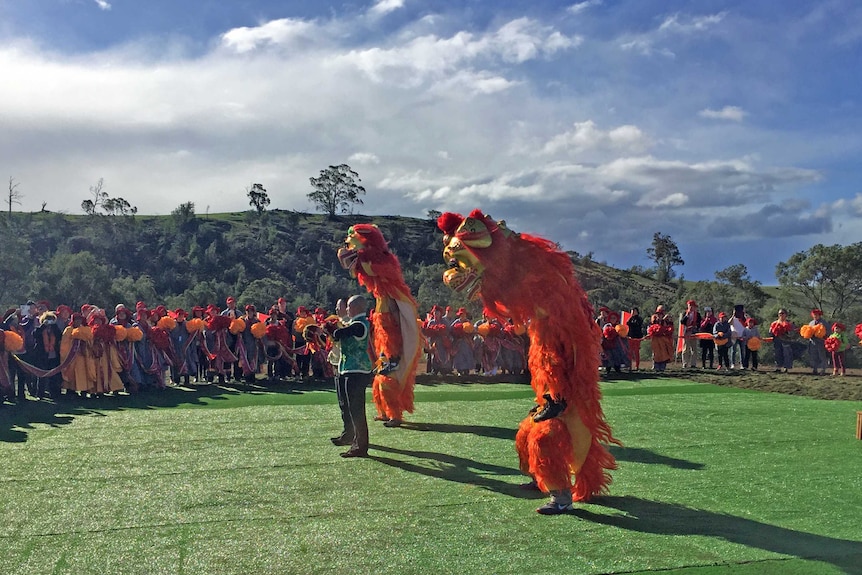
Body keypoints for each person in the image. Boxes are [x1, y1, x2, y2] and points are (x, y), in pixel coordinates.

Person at [326, 295, 372, 458]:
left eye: (349, 307)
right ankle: (355, 440)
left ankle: (360, 445)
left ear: (357, 308)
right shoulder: (356, 323)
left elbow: (340, 333)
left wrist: (330, 329)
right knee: (351, 407)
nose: (346, 310)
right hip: (350, 369)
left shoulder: (359, 324)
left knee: (356, 409)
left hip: (357, 370)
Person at [648, 305, 674, 371]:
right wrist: (662, 320)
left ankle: (662, 366)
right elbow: (654, 326)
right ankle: (655, 366)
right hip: (656, 339)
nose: (660, 314)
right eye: (659, 313)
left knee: (664, 352)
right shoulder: (654, 317)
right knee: (656, 352)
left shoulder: (666, 319)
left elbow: (670, 327)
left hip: (663, 339)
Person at [450, 307, 475, 376]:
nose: (462, 316)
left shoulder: (468, 322)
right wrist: (456, 334)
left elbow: (473, 331)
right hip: (458, 342)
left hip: (467, 342)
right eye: (461, 315)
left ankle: (466, 370)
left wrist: (469, 334)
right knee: (459, 356)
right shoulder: (456, 322)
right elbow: (451, 330)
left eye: (464, 314)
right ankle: (459, 371)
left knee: (467, 355)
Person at [679, 300, 701, 369]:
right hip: (686, 332)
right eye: (690, 306)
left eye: (692, 306)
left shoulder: (697, 314)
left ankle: (693, 364)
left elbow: (699, 323)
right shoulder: (685, 313)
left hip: (694, 332)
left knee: (694, 349)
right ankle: (685, 363)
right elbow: (682, 322)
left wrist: (695, 327)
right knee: (685, 348)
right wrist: (686, 316)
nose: (691, 307)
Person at [807, 309, 829, 376]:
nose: (815, 316)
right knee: (813, 356)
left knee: (822, 356)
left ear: (819, 315)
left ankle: (823, 369)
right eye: (814, 315)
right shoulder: (811, 323)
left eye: (816, 315)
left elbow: (828, 332)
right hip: (812, 342)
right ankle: (815, 369)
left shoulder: (824, 323)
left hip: (821, 342)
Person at [728, 304, 746, 369]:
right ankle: (732, 364)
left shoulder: (743, 318)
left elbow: (748, 322)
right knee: (733, 351)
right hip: (734, 336)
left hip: (742, 336)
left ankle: (742, 364)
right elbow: (729, 323)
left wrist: (744, 314)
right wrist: (733, 315)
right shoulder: (733, 318)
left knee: (742, 351)